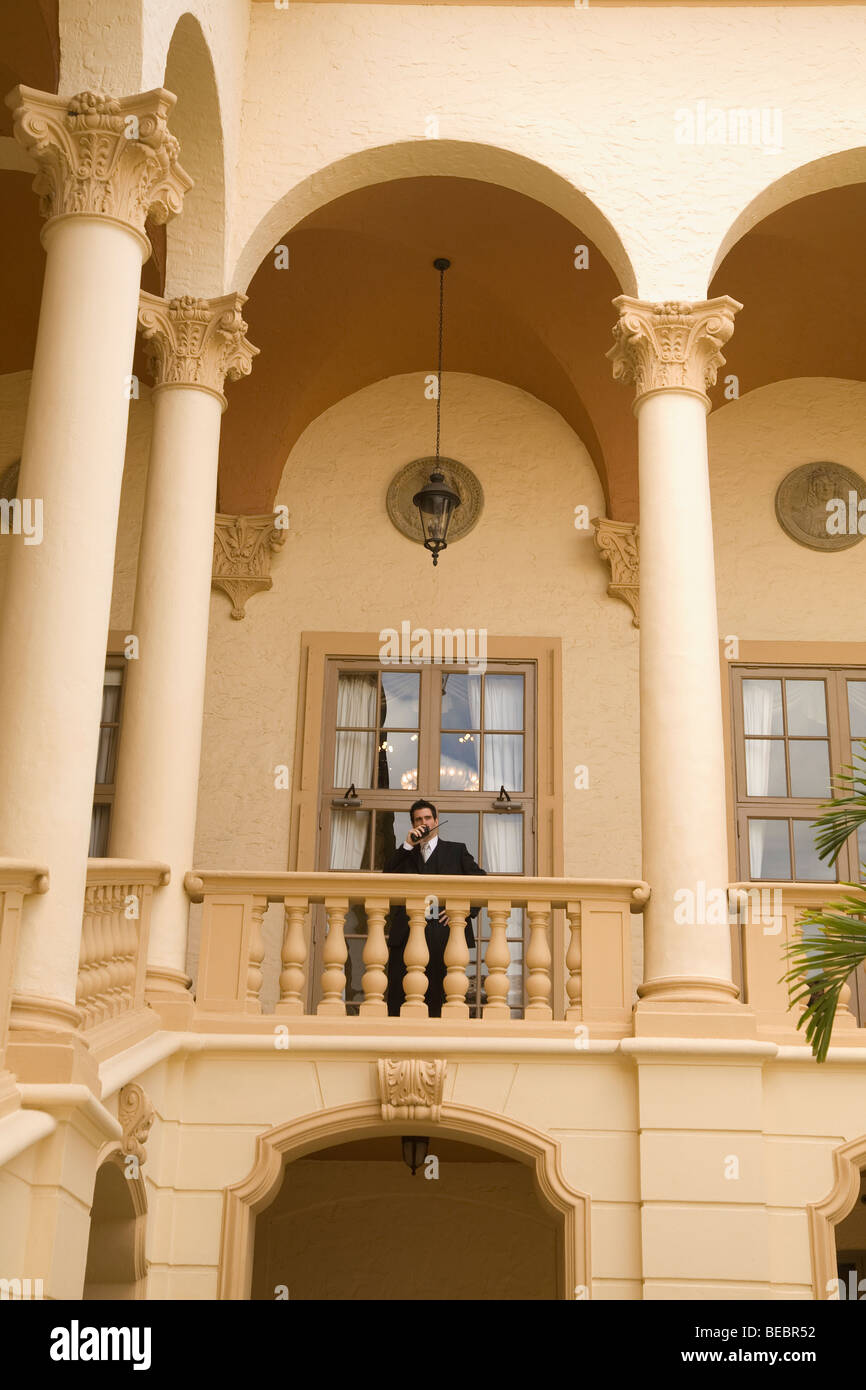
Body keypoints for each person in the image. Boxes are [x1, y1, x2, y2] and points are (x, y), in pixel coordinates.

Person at [385, 798, 486, 1017]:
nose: (424, 823)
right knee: (399, 996)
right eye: (418, 819)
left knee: (441, 997)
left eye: (427, 818)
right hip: (406, 937)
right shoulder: (404, 854)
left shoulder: (456, 851)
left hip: (446, 937)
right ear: (413, 825)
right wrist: (407, 845)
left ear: (436, 820)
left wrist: (462, 911)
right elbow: (386, 879)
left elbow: (482, 883)